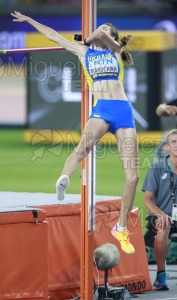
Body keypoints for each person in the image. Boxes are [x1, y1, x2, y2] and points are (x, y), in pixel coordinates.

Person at [11, 11, 139, 254]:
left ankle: (121, 228)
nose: (100, 29)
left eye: (105, 28)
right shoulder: (84, 53)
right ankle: (64, 180)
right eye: (99, 28)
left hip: (122, 111)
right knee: (81, 150)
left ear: (113, 36)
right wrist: (30, 21)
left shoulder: (115, 51)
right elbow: (53, 36)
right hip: (102, 109)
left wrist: (88, 38)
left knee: (132, 177)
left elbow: (101, 34)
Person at [142, 129, 177, 290]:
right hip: (161, 215)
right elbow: (147, 199)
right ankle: (161, 275)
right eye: (173, 142)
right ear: (167, 146)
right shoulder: (156, 168)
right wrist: (160, 214)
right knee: (163, 225)